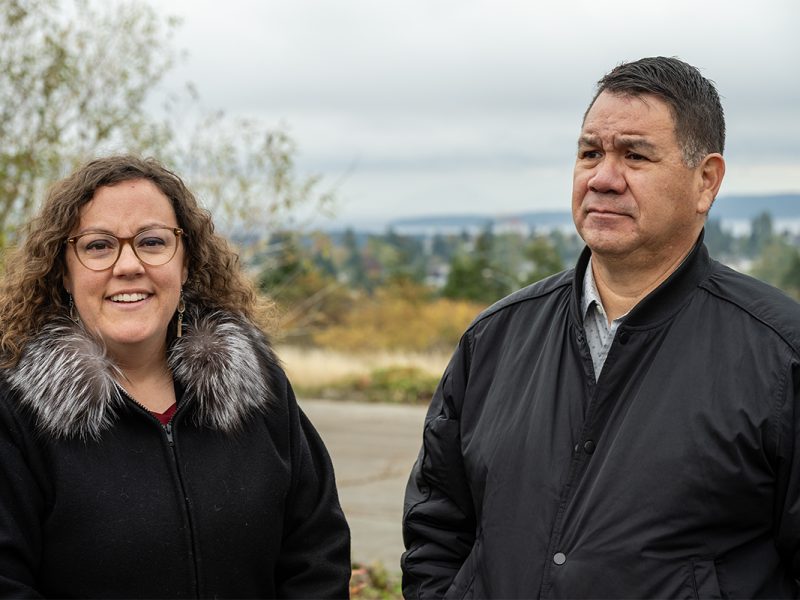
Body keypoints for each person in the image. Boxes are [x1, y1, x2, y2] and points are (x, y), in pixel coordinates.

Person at [402, 56, 800, 598]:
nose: (603, 178)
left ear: (706, 181)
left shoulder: (779, 353)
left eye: (635, 155)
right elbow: (437, 530)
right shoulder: (494, 339)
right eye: (590, 152)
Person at [0, 155, 351, 598]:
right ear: (63, 272)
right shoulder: (15, 414)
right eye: (97, 246)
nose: (128, 264)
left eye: (151, 242)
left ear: (185, 264)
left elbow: (317, 553)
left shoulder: (258, 388)